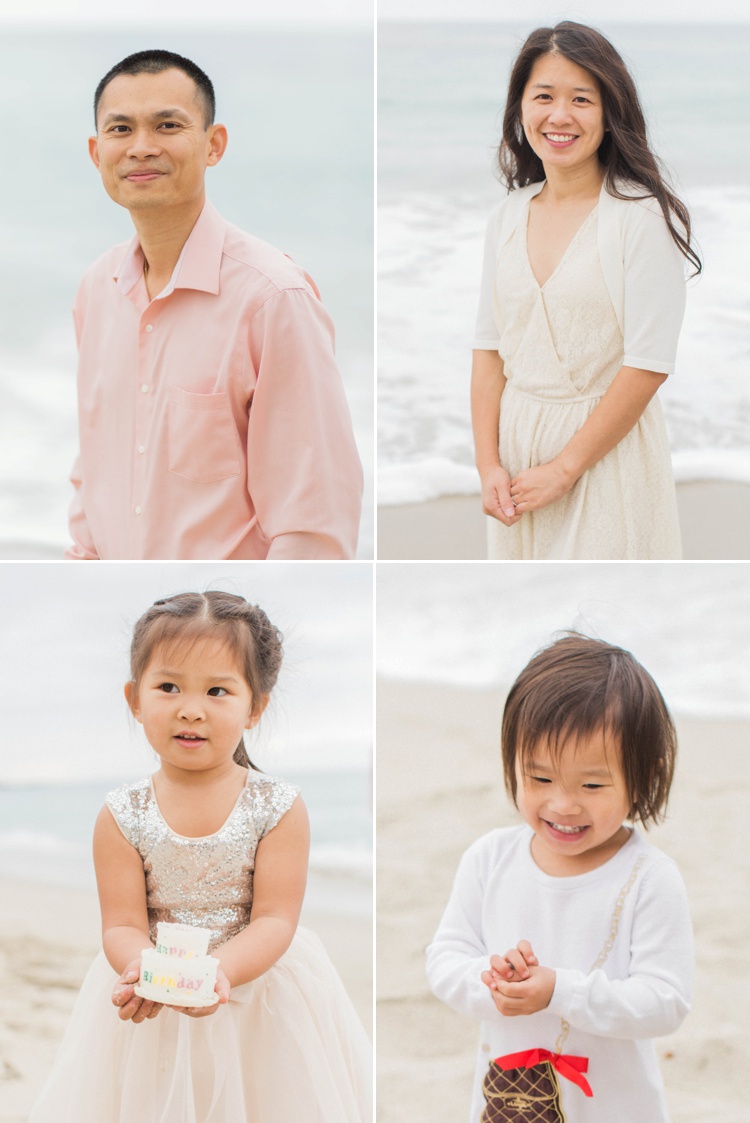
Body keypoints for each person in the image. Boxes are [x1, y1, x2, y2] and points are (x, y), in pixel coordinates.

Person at [30, 591, 372, 1122]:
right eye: (168, 687)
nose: (191, 708)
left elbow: (276, 918)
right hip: (156, 995)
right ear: (135, 699)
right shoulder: (121, 813)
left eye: (217, 690)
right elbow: (121, 922)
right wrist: (141, 967)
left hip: (258, 993)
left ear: (255, 706)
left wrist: (221, 972)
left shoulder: (277, 806)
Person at [66, 50, 363, 561]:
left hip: (225, 615)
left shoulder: (273, 298)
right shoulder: (98, 289)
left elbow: (314, 519)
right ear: (97, 153)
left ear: (213, 145)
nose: (141, 148)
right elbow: (92, 474)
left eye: (167, 125)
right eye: (120, 130)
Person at [426, 634, 692, 1123]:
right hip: (509, 1101)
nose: (563, 804)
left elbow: (665, 1002)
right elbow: (444, 960)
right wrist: (492, 979)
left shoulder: (649, 878)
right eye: (540, 779)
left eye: (592, 785)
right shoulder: (489, 859)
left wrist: (560, 992)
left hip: (613, 1108)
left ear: (642, 777)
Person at [472, 22, 701, 560]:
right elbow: (488, 350)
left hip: (606, 455)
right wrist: (488, 466)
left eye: (582, 99)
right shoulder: (506, 217)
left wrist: (566, 467)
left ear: (610, 111)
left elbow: (648, 364)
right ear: (520, 108)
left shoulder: (640, 217)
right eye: (543, 96)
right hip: (517, 452)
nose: (559, 116)